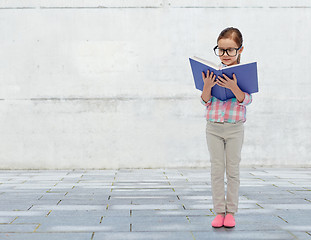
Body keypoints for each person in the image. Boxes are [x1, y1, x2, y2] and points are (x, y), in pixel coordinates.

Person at [200, 27, 252, 228]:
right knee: (216, 170)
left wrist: (233, 87)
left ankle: (231, 212)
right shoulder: (212, 72)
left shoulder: (244, 73)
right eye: (221, 50)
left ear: (240, 49)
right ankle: (219, 211)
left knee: (232, 170)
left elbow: (246, 100)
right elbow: (205, 101)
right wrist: (207, 86)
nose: (225, 54)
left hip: (235, 128)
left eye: (230, 50)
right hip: (213, 127)